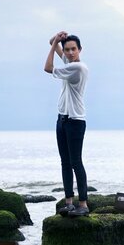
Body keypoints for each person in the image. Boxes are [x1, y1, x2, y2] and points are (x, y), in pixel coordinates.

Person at [44, 30, 90, 217]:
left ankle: (83, 205)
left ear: (80, 50)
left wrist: (56, 44)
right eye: (67, 49)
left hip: (75, 121)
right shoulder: (69, 63)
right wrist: (56, 39)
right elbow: (50, 43)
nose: (70, 53)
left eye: (74, 49)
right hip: (62, 119)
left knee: (76, 162)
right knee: (65, 162)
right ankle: (69, 202)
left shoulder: (78, 68)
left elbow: (47, 67)